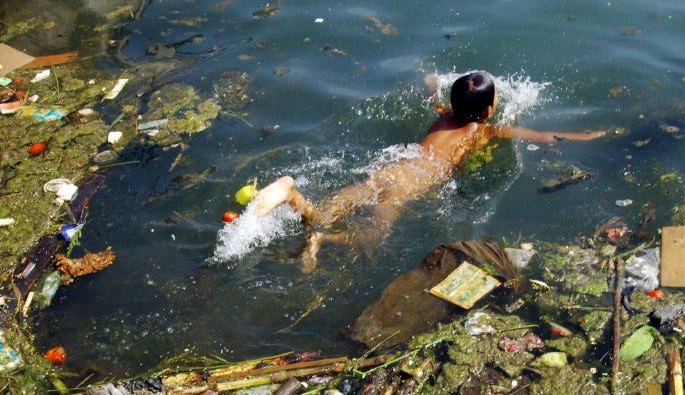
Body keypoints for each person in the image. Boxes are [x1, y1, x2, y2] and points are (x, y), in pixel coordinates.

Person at [253, 71, 609, 270]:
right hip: (409, 186)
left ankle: (291, 195)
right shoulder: (484, 132)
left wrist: (430, 83)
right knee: (371, 241)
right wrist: (587, 136)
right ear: (488, 111)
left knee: (323, 213)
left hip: (392, 169)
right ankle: (323, 240)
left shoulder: (443, 115)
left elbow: (431, 97)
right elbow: (544, 136)